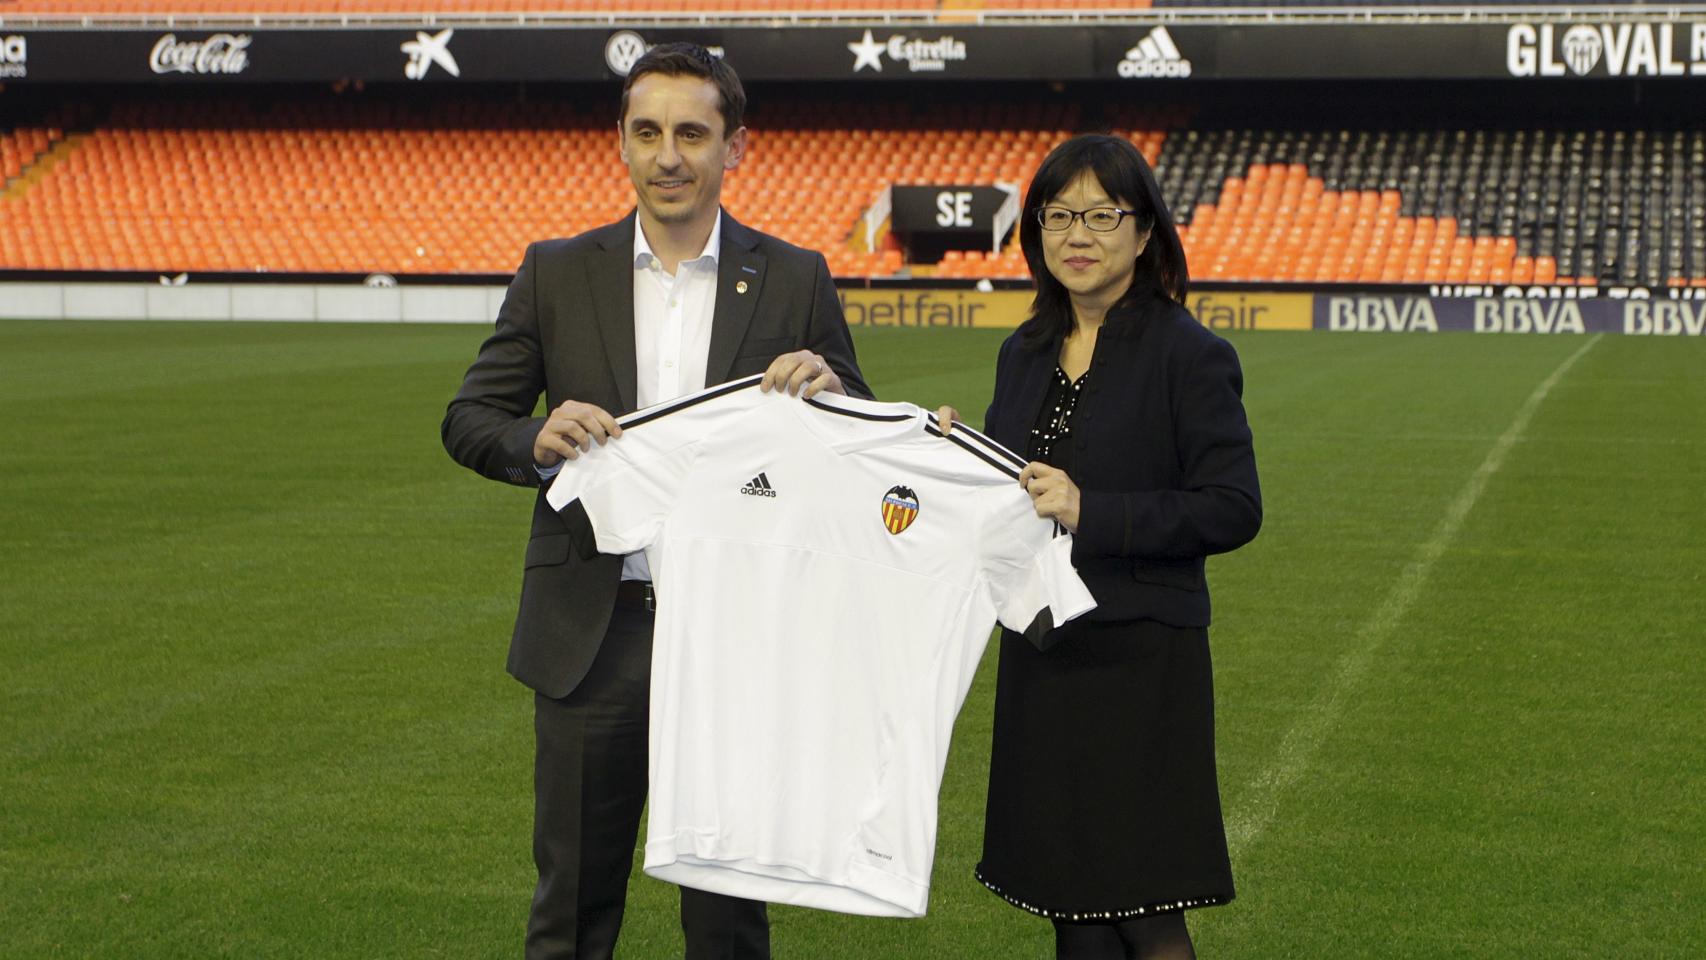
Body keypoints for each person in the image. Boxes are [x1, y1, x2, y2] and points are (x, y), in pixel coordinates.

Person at [441, 42, 869, 960]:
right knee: (571, 909)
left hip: (738, 639)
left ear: (734, 146)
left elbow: (862, 436)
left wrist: (833, 393)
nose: (667, 156)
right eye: (647, 132)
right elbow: (470, 418)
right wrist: (535, 440)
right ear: (622, 142)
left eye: (691, 134)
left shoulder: (795, 275)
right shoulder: (557, 270)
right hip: (591, 637)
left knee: (727, 921)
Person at [939, 134, 1261, 959]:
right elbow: (1013, 491)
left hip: (1142, 661)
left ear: (1145, 231)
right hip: (1046, 651)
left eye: (1101, 215)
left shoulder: (1191, 355)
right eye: (1058, 216)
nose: (1077, 235)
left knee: (1148, 908)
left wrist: (1095, 512)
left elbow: (1233, 508)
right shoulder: (1023, 352)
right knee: (1071, 902)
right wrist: (955, 453)